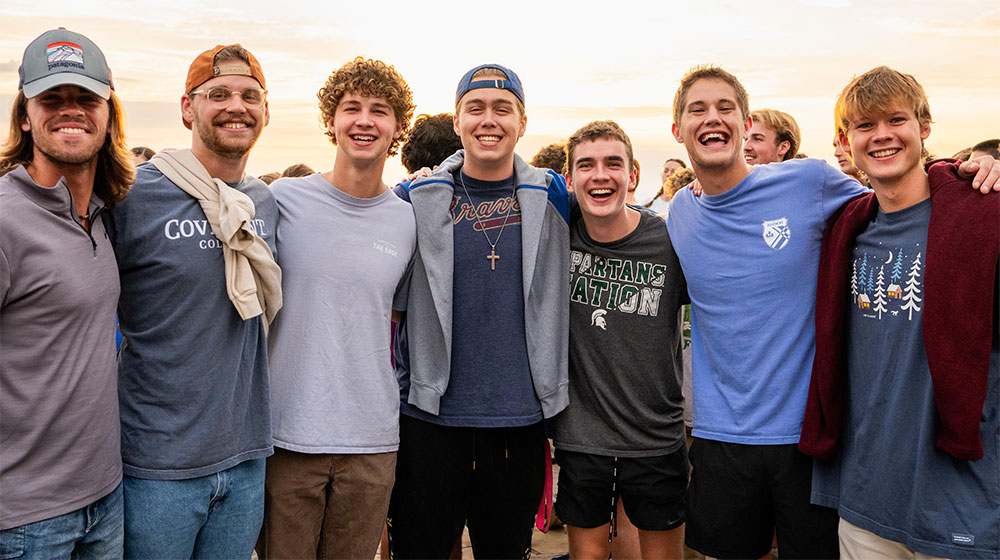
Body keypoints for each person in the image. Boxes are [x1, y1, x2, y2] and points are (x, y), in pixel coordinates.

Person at [665, 64, 1000, 560]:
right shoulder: (680, 210)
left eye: (724, 108)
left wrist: (969, 169)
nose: (712, 118)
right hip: (725, 437)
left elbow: (899, 193)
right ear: (678, 130)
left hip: (812, 437)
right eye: (698, 110)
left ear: (745, 122)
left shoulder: (810, 181)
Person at [800, 65, 999, 560]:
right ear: (845, 141)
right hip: (864, 499)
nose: (882, 135)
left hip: (960, 502)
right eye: (865, 125)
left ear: (924, 127)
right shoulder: (845, 229)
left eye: (896, 120)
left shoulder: (983, 215)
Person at [388, 63, 570, 559]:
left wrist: (699, 192)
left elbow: (614, 219)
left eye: (502, 109)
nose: (489, 119)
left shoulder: (553, 196)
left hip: (518, 421)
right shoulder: (415, 198)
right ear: (457, 121)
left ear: (522, 122)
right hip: (429, 418)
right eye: (476, 108)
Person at [108, 43, 281, 559]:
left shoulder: (262, 201)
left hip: (246, 457)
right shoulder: (133, 195)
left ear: (265, 110)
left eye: (250, 96)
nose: (236, 106)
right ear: (188, 108)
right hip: (156, 466)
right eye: (218, 94)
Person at [258, 57, 416, 560]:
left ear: (397, 127)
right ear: (331, 120)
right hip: (286, 434)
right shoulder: (282, 200)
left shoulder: (407, 221)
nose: (364, 120)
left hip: (372, 440)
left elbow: (392, 318)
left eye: (380, 110)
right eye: (352, 108)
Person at [0, 27, 133, 557]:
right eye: (52, 98)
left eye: (86, 98)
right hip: (25, 521)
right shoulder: (6, 219)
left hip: (105, 499)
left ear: (109, 116)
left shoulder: (103, 213)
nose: (70, 110)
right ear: (25, 116)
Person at [553, 120, 688, 560]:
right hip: (582, 436)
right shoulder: (558, 235)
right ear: (569, 179)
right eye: (586, 165)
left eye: (613, 163)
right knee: (587, 556)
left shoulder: (670, 240)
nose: (600, 175)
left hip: (655, 434)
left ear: (633, 176)